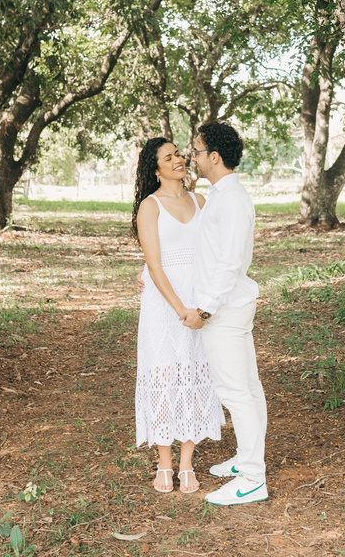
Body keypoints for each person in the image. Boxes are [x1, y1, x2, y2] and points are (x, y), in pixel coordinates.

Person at [181, 121, 269, 506]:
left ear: (214, 157)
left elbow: (230, 262)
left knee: (236, 393)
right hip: (230, 306)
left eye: (197, 151)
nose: (193, 157)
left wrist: (205, 309)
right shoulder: (220, 194)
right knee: (247, 388)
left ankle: (252, 478)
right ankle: (247, 459)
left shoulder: (231, 198)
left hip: (225, 309)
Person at [132, 137, 225, 494]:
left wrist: (200, 307)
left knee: (193, 374)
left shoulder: (200, 201)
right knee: (163, 376)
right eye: (168, 157)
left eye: (179, 154)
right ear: (155, 168)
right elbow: (155, 265)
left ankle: (186, 462)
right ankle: (164, 462)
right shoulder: (150, 206)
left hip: (197, 298)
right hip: (164, 303)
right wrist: (179, 309)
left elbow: (212, 252)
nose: (178, 160)